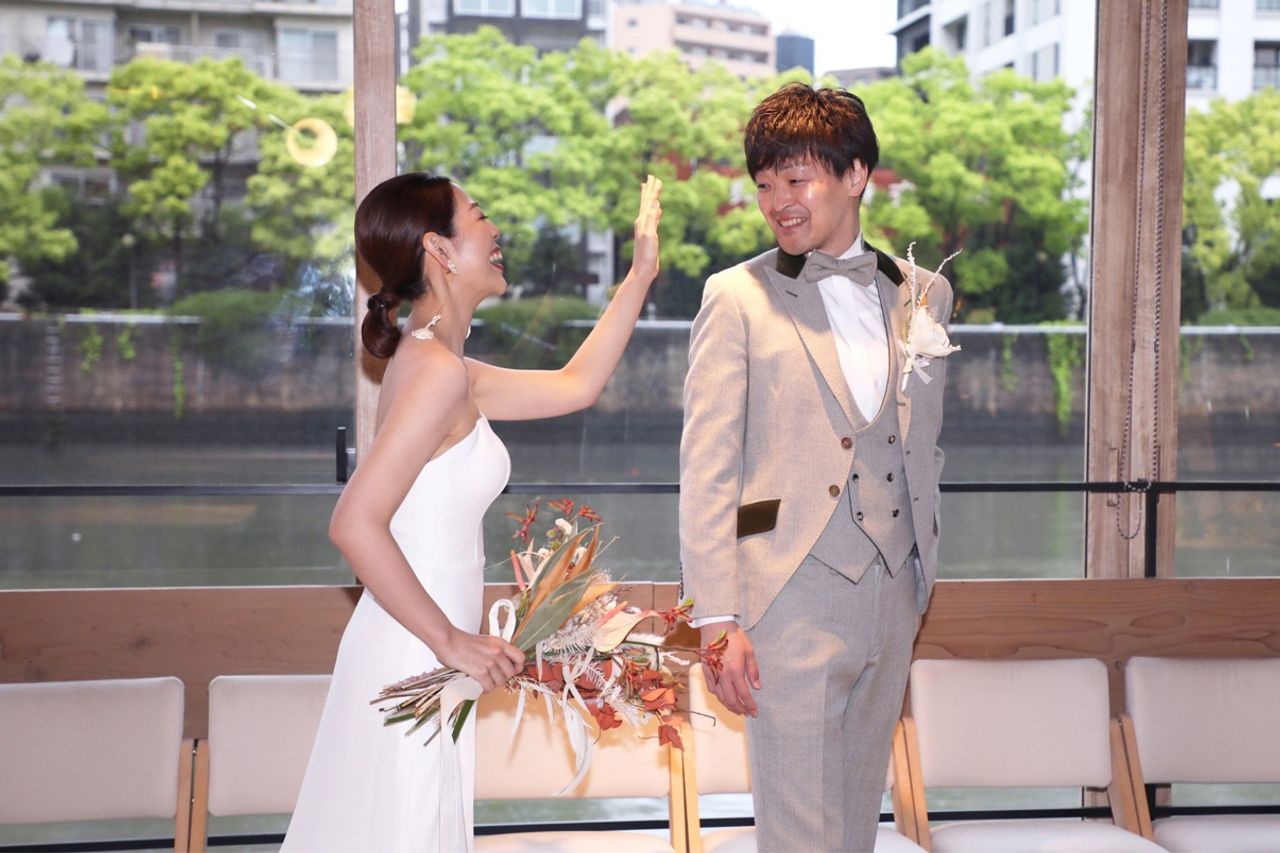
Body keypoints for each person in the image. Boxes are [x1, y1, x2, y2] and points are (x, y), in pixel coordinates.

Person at [283, 172, 662, 852]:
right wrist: (451, 641)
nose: (496, 232)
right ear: (439, 248)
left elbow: (575, 385)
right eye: (480, 217)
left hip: (421, 651)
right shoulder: (435, 372)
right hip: (414, 650)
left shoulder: (444, 364)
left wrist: (639, 275)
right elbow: (353, 521)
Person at [679, 83, 954, 852]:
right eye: (765, 184)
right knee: (799, 833)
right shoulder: (736, 297)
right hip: (785, 594)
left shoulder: (926, 295)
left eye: (795, 180)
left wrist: (920, 568)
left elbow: (923, 445)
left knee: (856, 825)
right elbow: (707, 468)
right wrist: (716, 619)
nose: (778, 202)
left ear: (855, 174)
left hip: (895, 593)